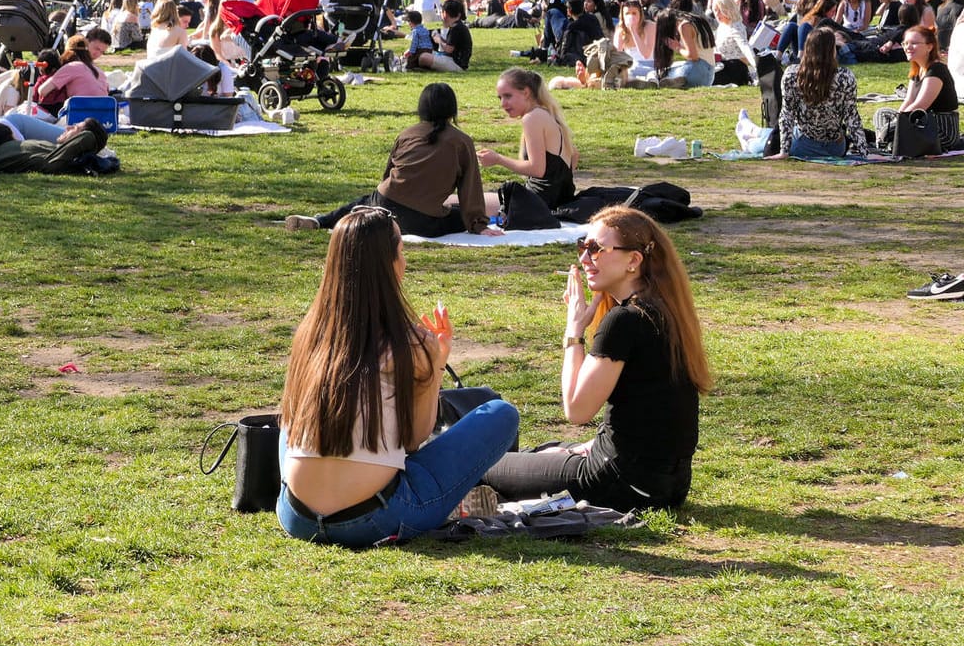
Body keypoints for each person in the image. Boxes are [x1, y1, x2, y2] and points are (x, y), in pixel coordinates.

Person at [275, 207, 519, 547]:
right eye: (401, 251)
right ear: (389, 264)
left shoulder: (312, 334)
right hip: (372, 519)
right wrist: (435, 364)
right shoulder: (410, 344)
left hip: (296, 517)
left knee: (293, 418)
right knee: (502, 414)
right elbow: (416, 438)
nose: (405, 261)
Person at [481, 207, 711, 511]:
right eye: (582, 246)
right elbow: (647, 419)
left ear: (633, 260)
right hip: (667, 487)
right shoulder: (665, 310)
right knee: (546, 451)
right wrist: (581, 449)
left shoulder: (625, 320)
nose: (584, 258)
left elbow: (577, 410)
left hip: (618, 484)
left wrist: (574, 329)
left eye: (596, 249)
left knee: (477, 465)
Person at [285, 83, 495, 238]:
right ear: (452, 109)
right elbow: (470, 189)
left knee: (362, 203)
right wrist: (478, 224)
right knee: (458, 216)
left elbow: (388, 174)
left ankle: (321, 221)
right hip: (423, 219)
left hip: (385, 202)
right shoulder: (461, 142)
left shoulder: (407, 134)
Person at [478, 68, 578, 209]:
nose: (503, 104)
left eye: (508, 96)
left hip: (538, 201)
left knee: (460, 203)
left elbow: (537, 169)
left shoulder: (532, 117)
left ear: (526, 92)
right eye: (500, 98)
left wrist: (498, 159)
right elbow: (574, 156)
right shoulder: (547, 113)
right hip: (558, 199)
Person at [778, 28, 866, 159]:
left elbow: (787, 115)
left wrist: (784, 152)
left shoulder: (791, 75)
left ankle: (748, 129)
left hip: (802, 145)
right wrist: (864, 153)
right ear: (832, 50)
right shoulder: (846, 77)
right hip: (835, 148)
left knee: (765, 137)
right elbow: (851, 117)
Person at [874, 24, 960, 152]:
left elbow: (920, 105)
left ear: (929, 47)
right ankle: (888, 141)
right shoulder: (917, 69)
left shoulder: (937, 69)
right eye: (905, 43)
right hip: (919, 120)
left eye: (914, 43)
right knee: (882, 113)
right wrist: (897, 121)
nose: (908, 47)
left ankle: (887, 141)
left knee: (890, 129)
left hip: (938, 129)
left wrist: (896, 126)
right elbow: (908, 102)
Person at [34, 32, 111, 109]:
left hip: (79, 112)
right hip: (103, 112)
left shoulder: (71, 67)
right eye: (97, 49)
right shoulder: (99, 71)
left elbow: (42, 91)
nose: (98, 54)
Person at [710, 0, 757, 87]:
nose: (717, 14)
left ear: (728, 9)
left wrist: (757, 66)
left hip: (735, 68)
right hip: (721, 65)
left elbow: (745, 47)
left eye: (720, 10)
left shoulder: (736, 27)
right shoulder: (721, 26)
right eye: (715, 10)